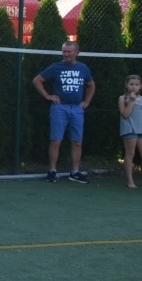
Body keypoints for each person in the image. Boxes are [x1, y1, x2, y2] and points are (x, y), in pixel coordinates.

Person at [31, 41, 95, 184]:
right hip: (59, 108)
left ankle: (75, 172)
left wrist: (86, 102)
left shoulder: (83, 68)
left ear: (76, 52)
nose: (66, 54)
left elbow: (91, 85)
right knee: (56, 141)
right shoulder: (56, 67)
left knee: (77, 142)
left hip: (77, 109)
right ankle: (52, 171)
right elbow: (37, 80)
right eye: (64, 51)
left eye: (69, 51)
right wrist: (47, 96)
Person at [118, 74, 142, 189]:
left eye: (137, 84)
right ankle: (130, 181)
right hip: (129, 128)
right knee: (130, 153)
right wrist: (132, 101)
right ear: (126, 85)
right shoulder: (122, 98)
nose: (134, 87)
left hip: (140, 128)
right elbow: (125, 114)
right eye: (131, 84)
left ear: (140, 86)